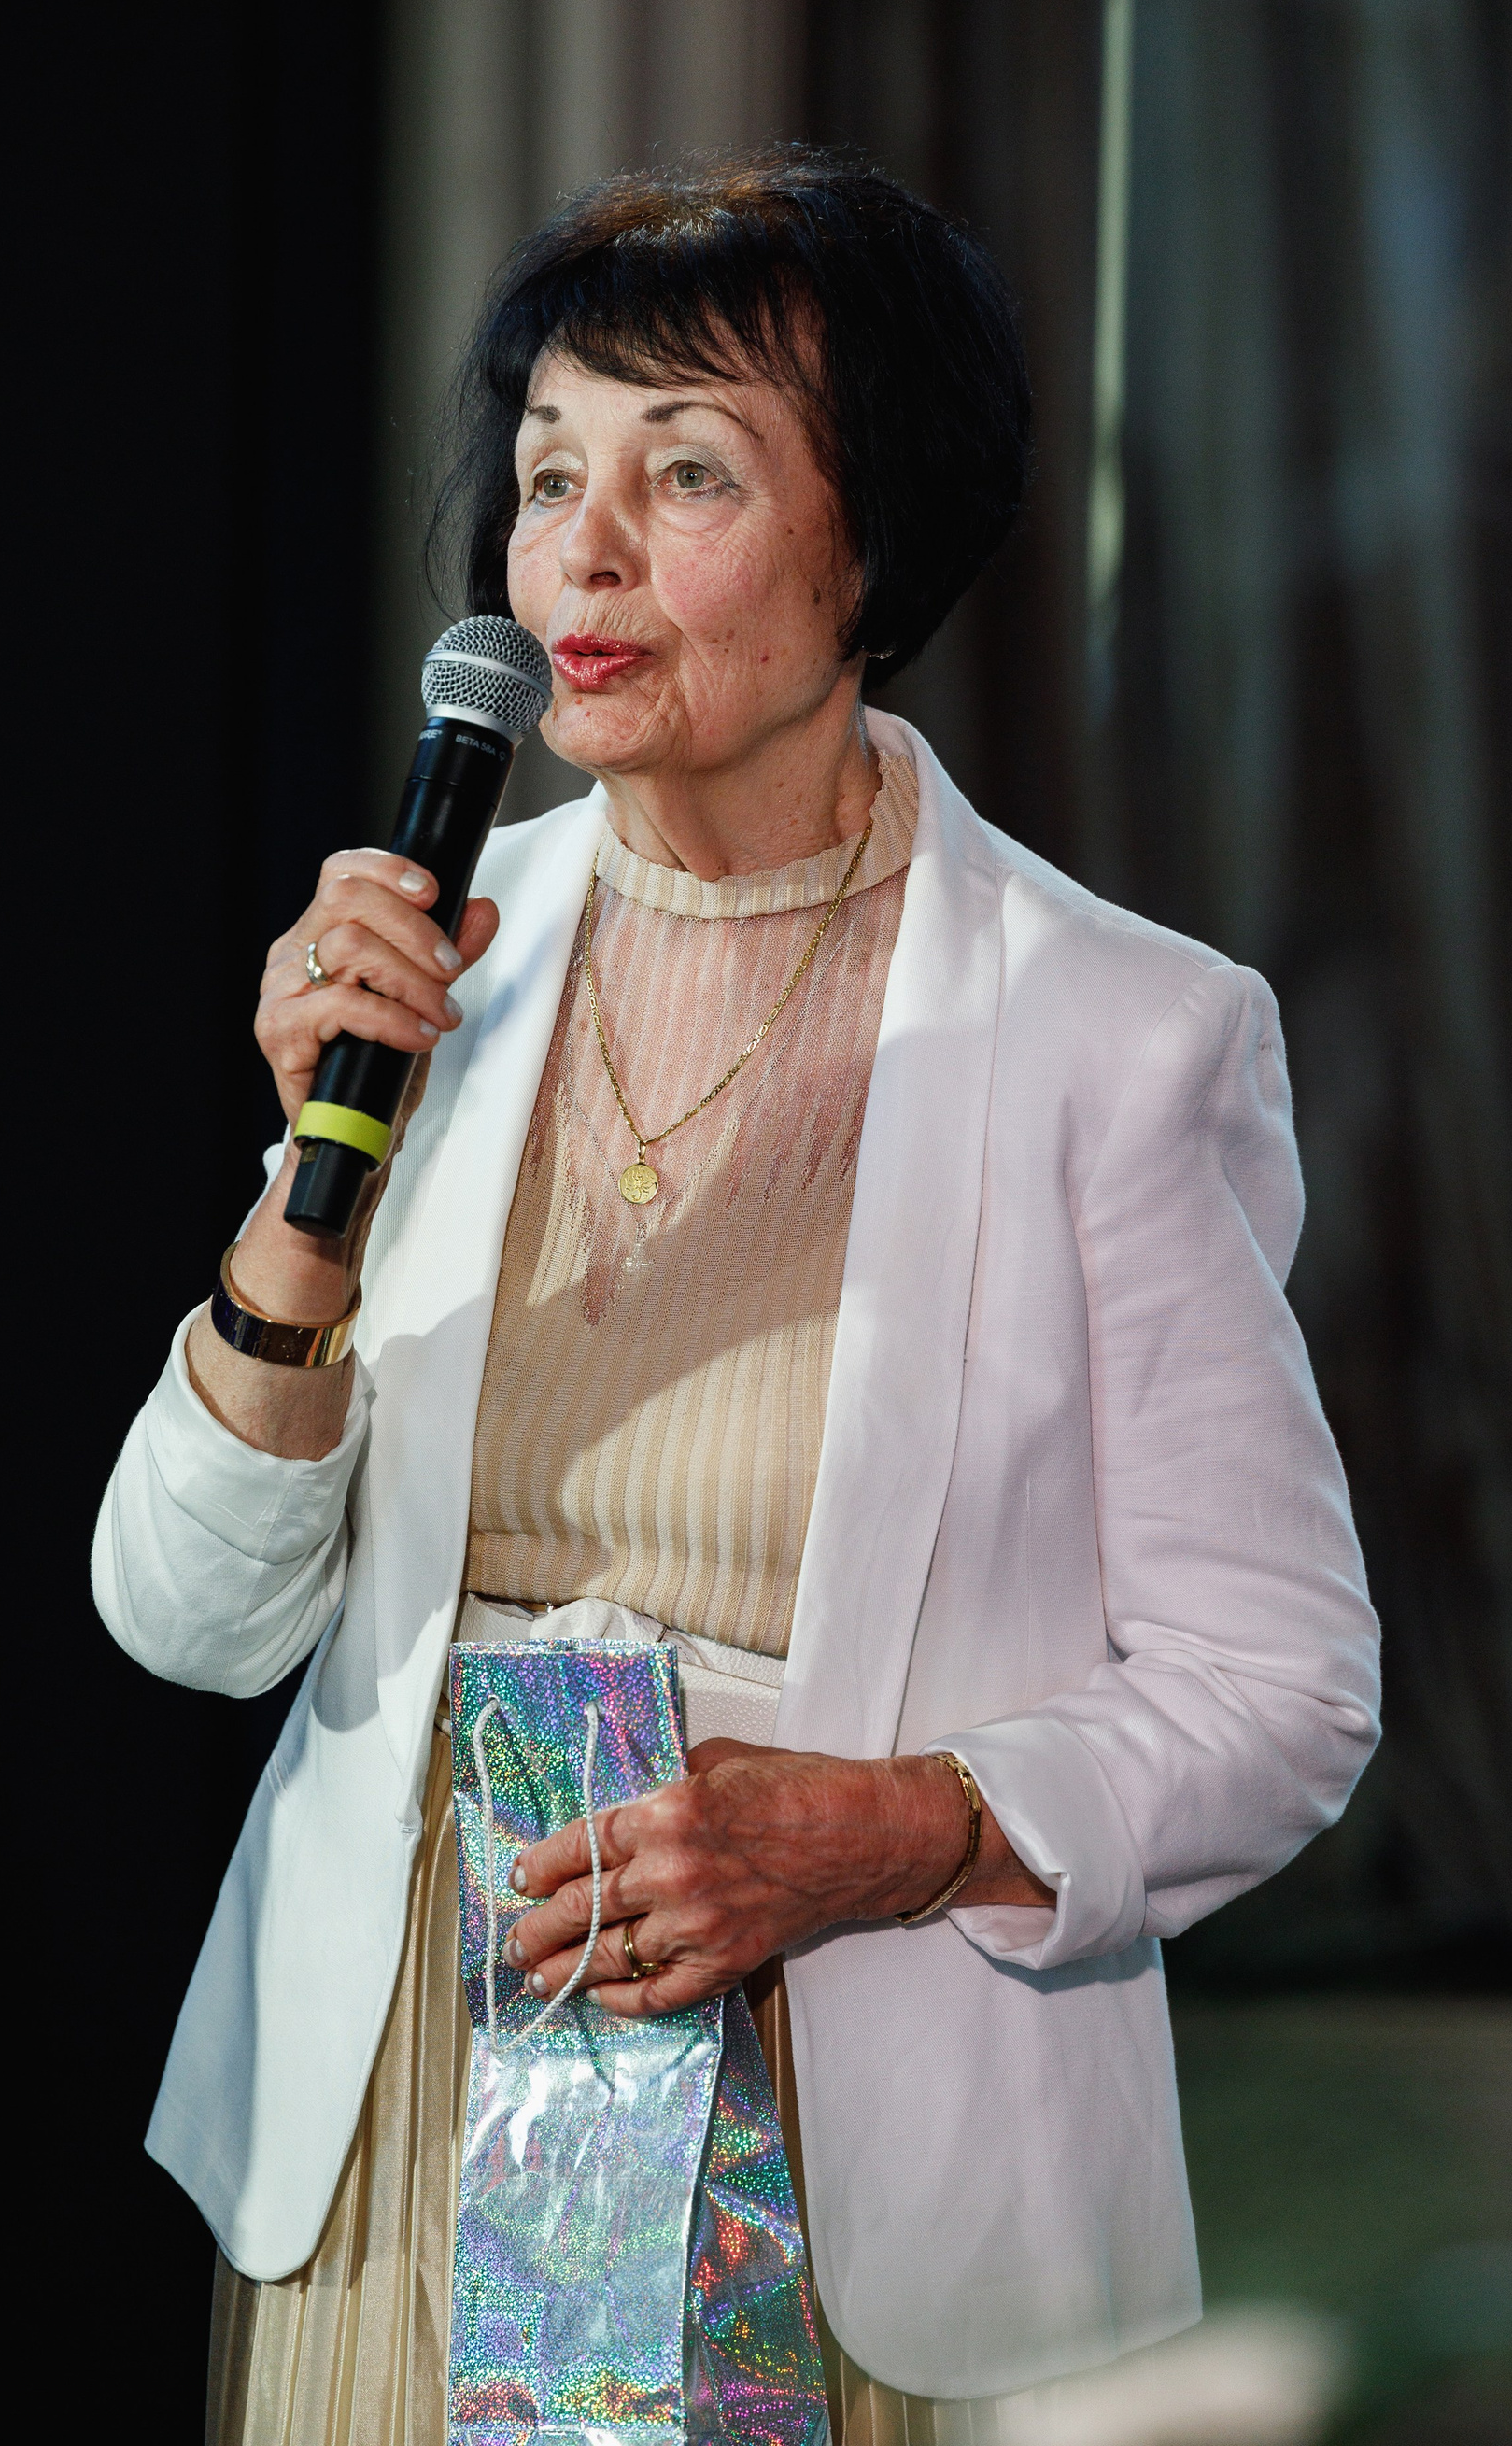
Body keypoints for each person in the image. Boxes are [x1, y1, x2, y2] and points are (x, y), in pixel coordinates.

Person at [94, 149, 1379, 2445]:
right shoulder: (439, 976)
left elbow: (1284, 1689)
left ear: (876, 541)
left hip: (853, 2144)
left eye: (685, 473)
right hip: (407, 2125)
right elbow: (187, 1621)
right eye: (547, 474)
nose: (579, 555)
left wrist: (898, 1826)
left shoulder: (1114, 1032)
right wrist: (308, 1201)